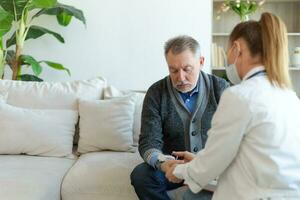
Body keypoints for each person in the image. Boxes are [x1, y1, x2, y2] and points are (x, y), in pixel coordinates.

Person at [165, 13, 300, 200]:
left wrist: (179, 171)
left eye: (227, 50)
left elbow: (212, 162)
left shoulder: (240, 96)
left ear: (237, 48)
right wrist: (199, 162)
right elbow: (253, 154)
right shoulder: (290, 97)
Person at [130, 35, 229, 200]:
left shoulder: (221, 89)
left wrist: (205, 163)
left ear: (201, 62)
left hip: (210, 166)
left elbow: (232, 139)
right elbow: (148, 142)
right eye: (173, 70)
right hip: (173, 168)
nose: (180, 78)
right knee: (141, 176)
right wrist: (164, 163)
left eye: (187, 69)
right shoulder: (156, 93)